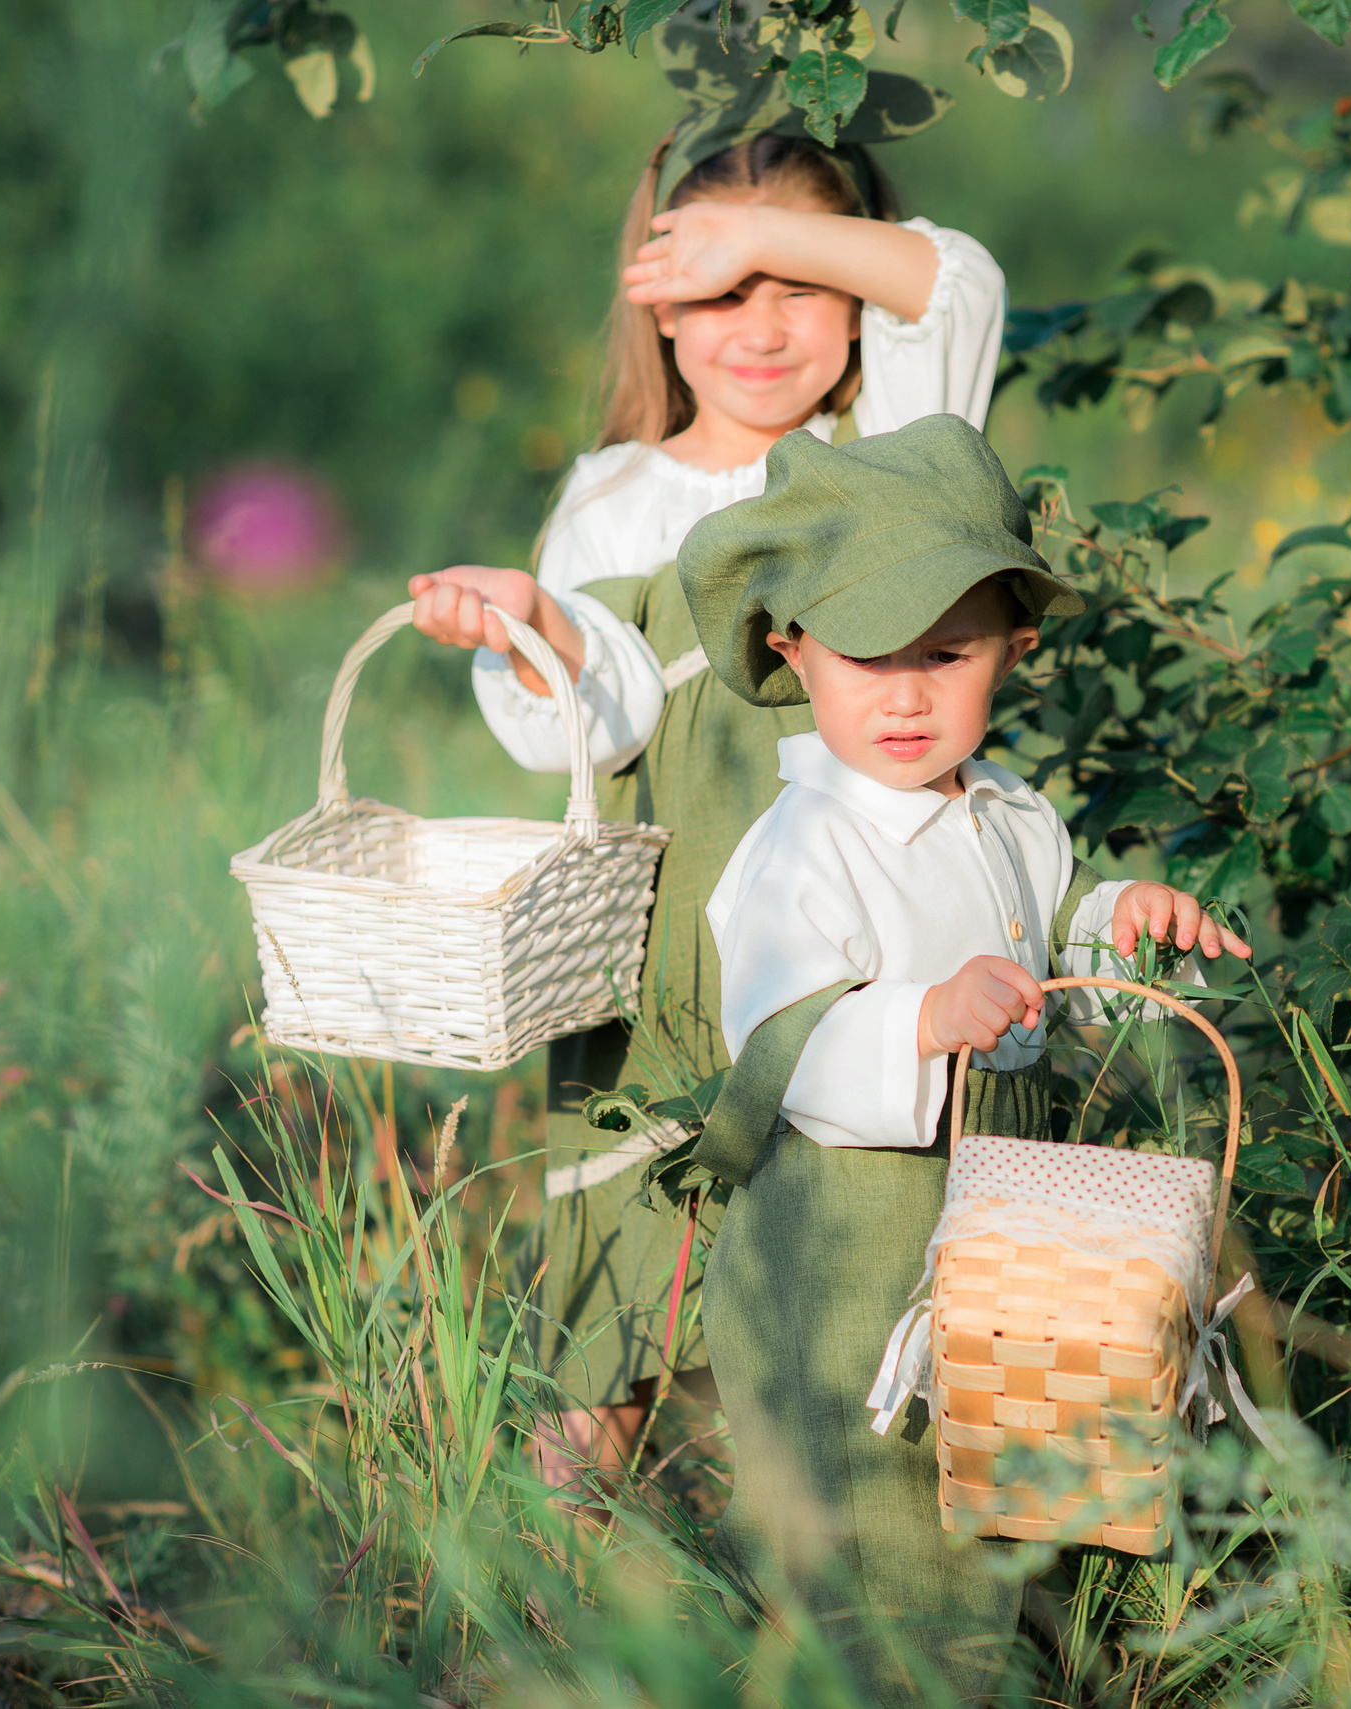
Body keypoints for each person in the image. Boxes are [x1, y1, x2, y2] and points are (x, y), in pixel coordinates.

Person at [402, 19, 1006, 1491]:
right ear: (658, 315)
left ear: (858, 302)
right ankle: (533, 1606)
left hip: (872, 947)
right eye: (719, 286)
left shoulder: (895, 454)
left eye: (800, 282)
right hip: (667, 970)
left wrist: (752, 220)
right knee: (614, 1296)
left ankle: (854, 1589)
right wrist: (527, 622)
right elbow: (585, 719)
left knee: (861, 1273)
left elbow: (963, 285)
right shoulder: (616, 502)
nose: (761, 318)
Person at [679, 415, 1250, 1704]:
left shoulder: (1011, 814)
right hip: (847, 1244)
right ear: (792, 650)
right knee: (877, 1493)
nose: (904, 695)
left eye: (946, 654)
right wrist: (920, 1017)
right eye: (864, 656)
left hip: (1001, 1212)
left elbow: (1050, 961)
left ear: (1014, 650)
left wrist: (1120, 923)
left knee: (1002, 1458)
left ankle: (1005, 1665)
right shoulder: (802, 845)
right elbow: (775, 1048)